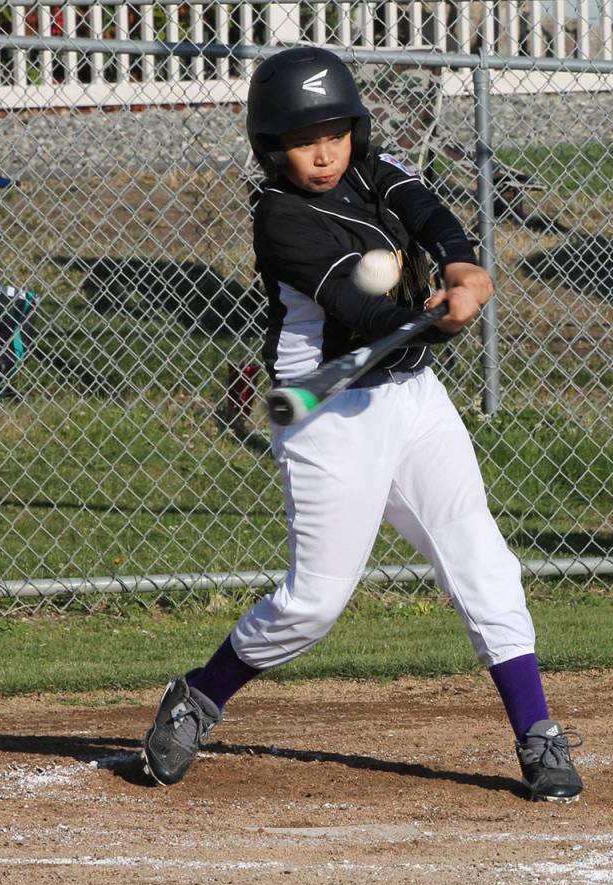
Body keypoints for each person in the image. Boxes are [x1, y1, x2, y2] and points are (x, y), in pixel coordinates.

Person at [141, 47, 583, 804]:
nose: (323, 153)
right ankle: (200, 695)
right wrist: (434, 322)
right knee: (311, 606)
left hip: (412, 400)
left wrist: (460, 264)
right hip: (329, 416)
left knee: (482, 562)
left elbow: (426, 209)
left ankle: (537, 731)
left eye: (335, 133)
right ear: (270, 149)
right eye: (302, 140)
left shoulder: (375, 170)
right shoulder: (280, 217)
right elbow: (356, 309)